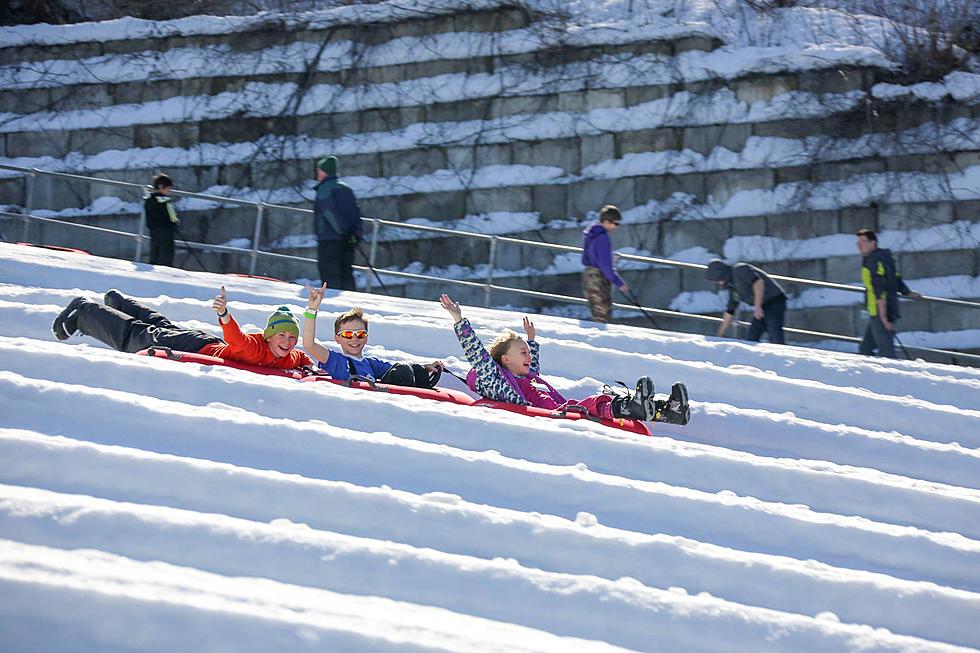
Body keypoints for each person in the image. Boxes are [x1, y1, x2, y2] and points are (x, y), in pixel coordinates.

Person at [439, 293, 689, 425]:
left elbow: (533, 368)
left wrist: (532, 341)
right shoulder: (498, 381)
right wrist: (459, 320)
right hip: (556, 413)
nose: (527, 356)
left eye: (527, 352)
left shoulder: (527, 375)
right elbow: (477, 354)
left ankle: (668, 412)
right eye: (522, 352)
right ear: (505, 359)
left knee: (598, 400)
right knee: (595, 401)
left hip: (563, 406)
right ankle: (632, 406)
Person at [51, 287, 315, 370]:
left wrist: (308, 365)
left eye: (292, 337)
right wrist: (224, 315)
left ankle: (120, 304)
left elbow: (299, 357)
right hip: (192, 346)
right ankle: (83, 313)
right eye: (282, 335)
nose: (288, 341)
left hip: (202, 342)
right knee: (138, 338)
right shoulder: (255, 348)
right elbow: (237, 339)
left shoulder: (287, 355)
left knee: (162, 327)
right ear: (269, 336)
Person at [302, 282, 444, 387]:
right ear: (337, 338)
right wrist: (312, 310)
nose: (355, 338)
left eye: (361, 334)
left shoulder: (370, 363)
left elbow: (397, 368)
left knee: (414, 369)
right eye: (347, 334)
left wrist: (425, 368)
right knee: (403, 370)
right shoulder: (336, 361)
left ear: (367, 337)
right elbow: (309, 345)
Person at [856, 228, 921, 358]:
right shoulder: (884, 257)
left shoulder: (872, 261)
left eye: (863, 241)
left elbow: (879, 290)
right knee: (865, 349)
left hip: (879, 311)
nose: (859, 245)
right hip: (884, 310)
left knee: (887, 354)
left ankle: (893, 376)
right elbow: (895, 278)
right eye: (858, 242)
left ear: (873, 243)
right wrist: (907, 292)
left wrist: (884, 317)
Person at [705, 259, 788, 344]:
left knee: (775, 336)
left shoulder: (740, 269)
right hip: (762, 306)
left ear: (722, 274)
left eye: (718, 280)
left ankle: (781, 355)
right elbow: (730, 310)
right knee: (751, 338)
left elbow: (758, 283)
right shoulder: (732, 286)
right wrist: (720, 334)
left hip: (774, 301)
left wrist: (757, 307)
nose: (719, 283)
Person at [313, 155, 362, 291]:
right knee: (346, 273)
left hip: (329, 240)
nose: (317, 173)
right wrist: (356, 234)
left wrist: (342, 230)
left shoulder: (324, 189)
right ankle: (351, 306)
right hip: (348, 241)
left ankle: (334, 307)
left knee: (330, 275)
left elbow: (329, 212)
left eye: (319, 170)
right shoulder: (347, 189)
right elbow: (356, 213)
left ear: (325, 171)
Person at [581, 204, 629, 323]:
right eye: (616, 224)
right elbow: (606, 267)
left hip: (588, 276)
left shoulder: (591, 233)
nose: (616, 227)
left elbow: (586, 257)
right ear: (607, 222)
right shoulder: (603, 238)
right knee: (603, 317)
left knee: (596, 314)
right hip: (599, 279)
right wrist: (620, 283)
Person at [144, 173, 180, 267]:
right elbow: (173, 217)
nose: (170, 191)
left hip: (154, 231)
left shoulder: (149, 200)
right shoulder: (165, 201)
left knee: (155, 252)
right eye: (169, 189)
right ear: (161, 187)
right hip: (166, 231)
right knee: (166, 255)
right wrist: (175, 222)